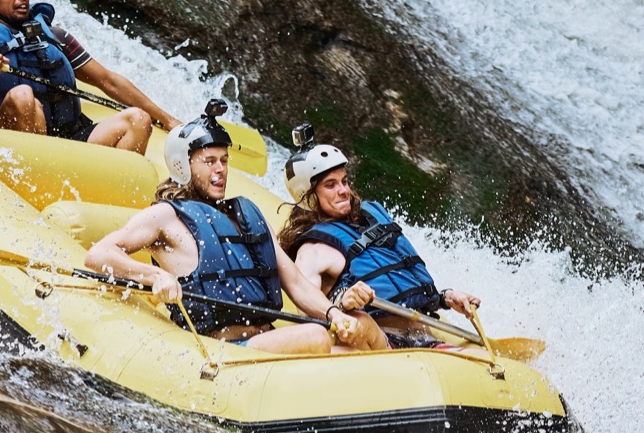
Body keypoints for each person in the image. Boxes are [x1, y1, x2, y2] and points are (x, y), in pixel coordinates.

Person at [84, 106, 388, 354]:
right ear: (183, 165)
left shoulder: (247, 214)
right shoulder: (164, 216)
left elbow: (295, 284)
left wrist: (333, 313)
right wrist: (154, 276)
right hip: (224, 348)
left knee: (359, 327)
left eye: (225, 161)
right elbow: (99, 254)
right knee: (316, 338)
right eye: (210, 161)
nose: (220, 169)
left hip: (266, 339)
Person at [278, 134, 479, 345]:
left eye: (344, 181)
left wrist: (445, 298)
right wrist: (341, 302)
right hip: (384, 342)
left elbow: (401, 285)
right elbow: (308, 319)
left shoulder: (370, 217)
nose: (344, 190)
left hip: (425, 333)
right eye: (331, 185)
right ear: (308, 195)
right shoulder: (313, 252)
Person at [0, 0, 178, 154]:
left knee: (138, 119)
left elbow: (109, 81)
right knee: (22, 96)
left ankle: (109, 191)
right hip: (20, 149)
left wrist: (169, 121)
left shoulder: (55, 37)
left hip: (71, 139)